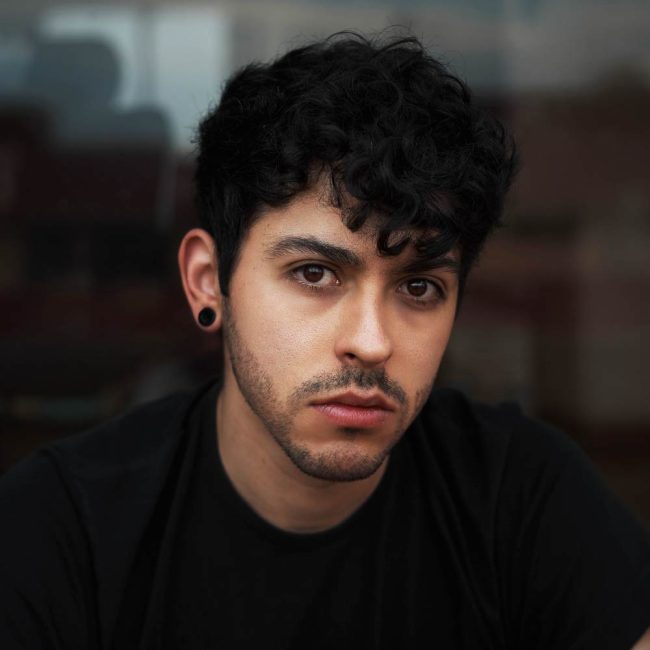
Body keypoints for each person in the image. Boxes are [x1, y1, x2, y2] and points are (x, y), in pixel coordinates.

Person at [1, 31, 649, 650]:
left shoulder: (519, 495)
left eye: (419, 287)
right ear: (208, 282)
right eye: (314, 274)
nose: (371, 343)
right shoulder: (62, 526)